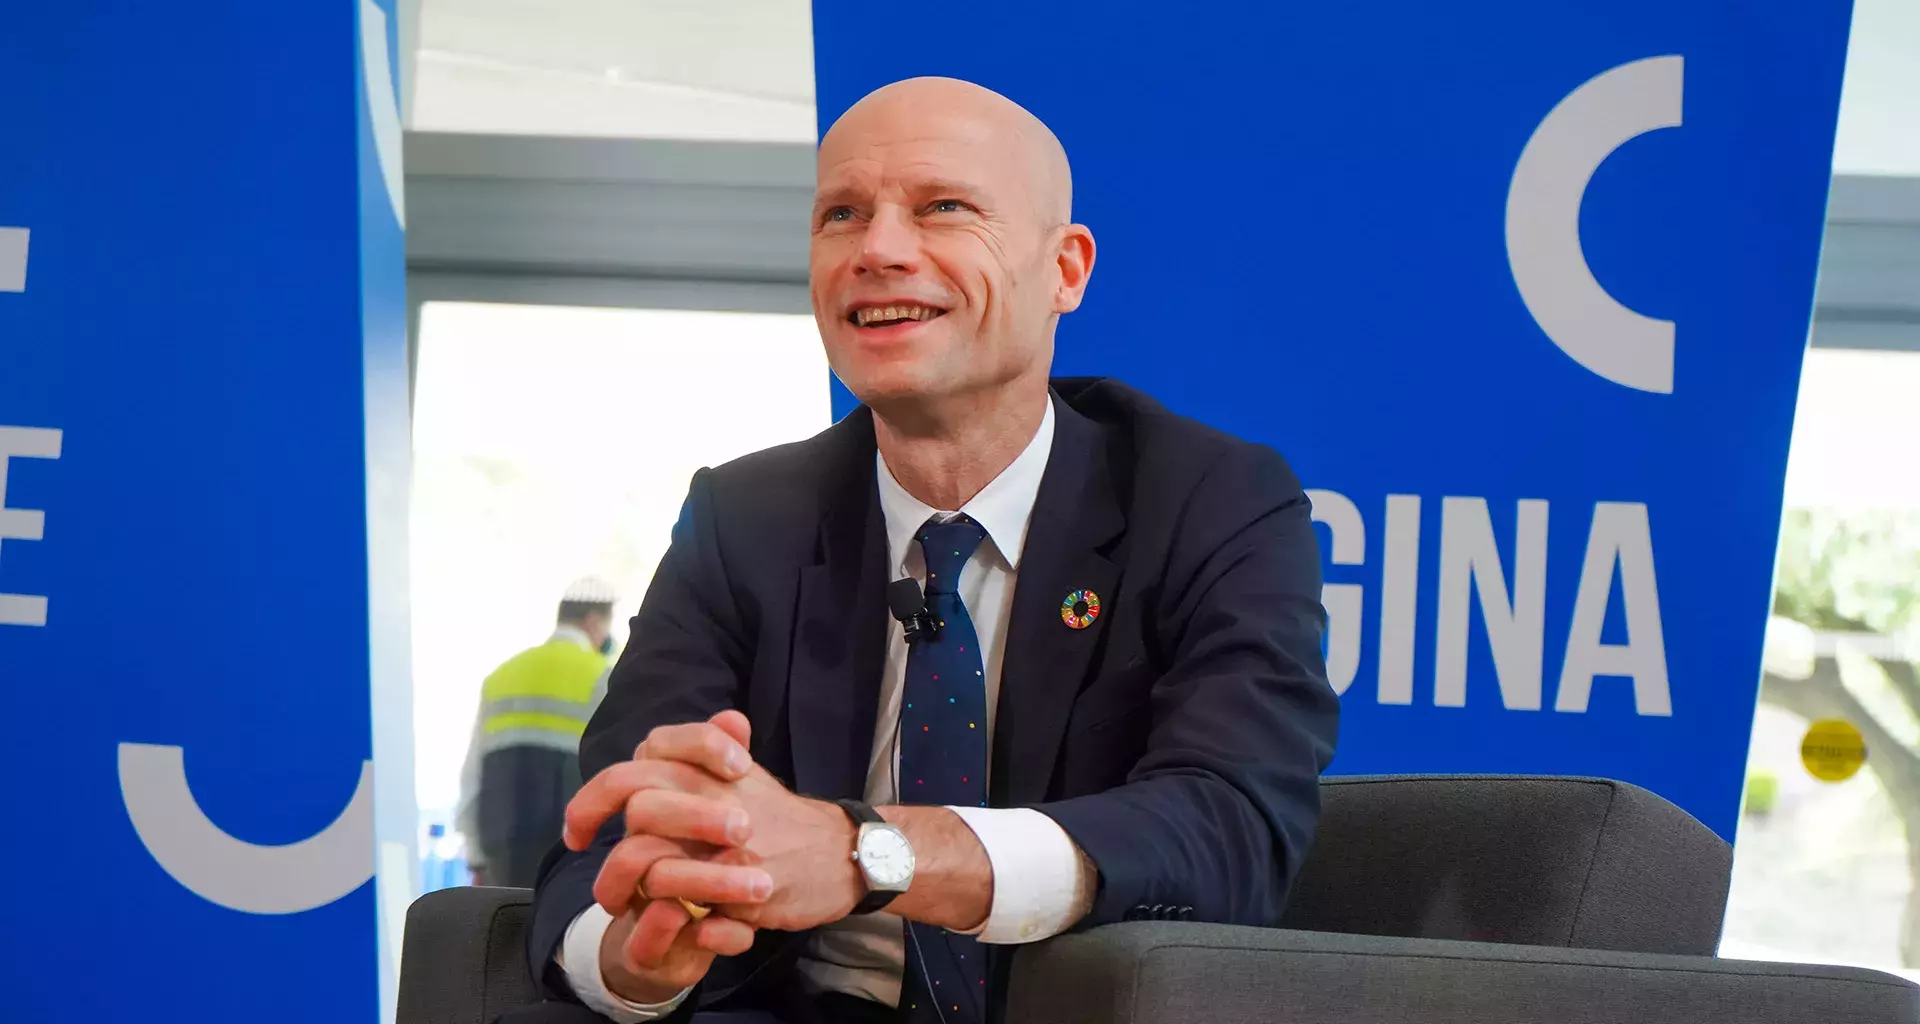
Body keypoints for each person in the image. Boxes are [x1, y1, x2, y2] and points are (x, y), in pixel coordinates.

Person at [512, 77, 1338, 1024]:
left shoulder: (1207, 498)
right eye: (841, 215)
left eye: (944, 208)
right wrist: (638, 959)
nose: (879, 250)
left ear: (1065, 271)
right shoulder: (743, 517)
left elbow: (1232, 825)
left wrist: (869, 854)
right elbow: (612, 836)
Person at [456, 576, 619, 888]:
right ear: (593, 621)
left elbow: (472, 775)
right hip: (568, 854)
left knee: (503, 934)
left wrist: (476, 858)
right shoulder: (604, 675)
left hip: (500, 850)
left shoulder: (501, 675)